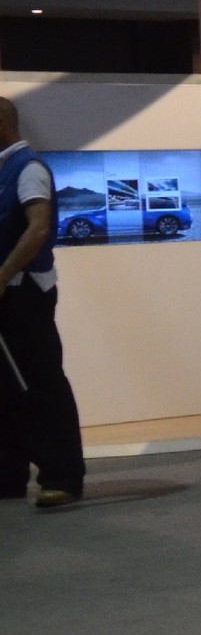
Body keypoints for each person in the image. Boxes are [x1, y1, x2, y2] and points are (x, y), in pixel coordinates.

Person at [0, 96, 84, 508]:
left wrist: (1, 274)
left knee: (41, 382)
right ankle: (9, 474)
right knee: (6, 387)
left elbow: (38, 228)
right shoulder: (4, 170)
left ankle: (62, 476)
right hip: (6, 294)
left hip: (25, 292)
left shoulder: (28, 169)